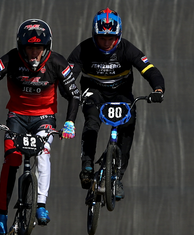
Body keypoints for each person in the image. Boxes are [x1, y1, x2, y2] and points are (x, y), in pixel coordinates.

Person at [0, 19, 80, 235]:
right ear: (20, 47)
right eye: (29, 48)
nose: (34, 53)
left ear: (46, 48)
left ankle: (41, 204)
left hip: (44, 118)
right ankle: (2, 213)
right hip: (16, 117)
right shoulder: (10, 59)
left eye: (38, 48)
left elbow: (74, 94)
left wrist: (70, 122)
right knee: (12, 159)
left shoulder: (58, 63)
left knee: (43, 154)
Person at [67, 8, 165, 199]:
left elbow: (150, 70)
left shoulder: (128, 49)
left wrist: (158, 89)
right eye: (102, 38)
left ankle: (118, 177)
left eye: (110, 38)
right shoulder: (84, 49)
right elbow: (68, 76)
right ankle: (87, 166)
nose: (106, 43)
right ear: (94, 35)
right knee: (92, 122)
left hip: (121, 93)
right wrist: (70, 92)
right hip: (93, 92)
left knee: (128, 125)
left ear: (118, 36)